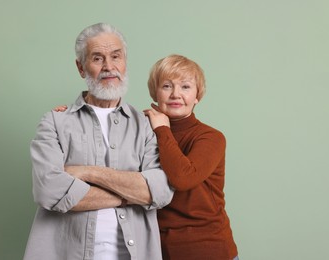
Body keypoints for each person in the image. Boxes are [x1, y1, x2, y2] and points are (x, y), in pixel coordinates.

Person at [23, 23, 174, 260]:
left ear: (125, 62)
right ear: (81, 67)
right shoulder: (55, 121)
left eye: (116, 56)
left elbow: (160, 190)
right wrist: (131, 195)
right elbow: (48, 190)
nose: (109, 67)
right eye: (97, 58)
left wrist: (87, 173)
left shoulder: (146, 124)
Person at [143, 54, 238, 260]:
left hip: (206, 249)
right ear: (155, 92)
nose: (176, 94)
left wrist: (162, 129)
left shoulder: (211, 137)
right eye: (167, 86)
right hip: (157, 249)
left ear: (197, 96)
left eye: (185, 87)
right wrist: (66, 117)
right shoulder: (142, 129)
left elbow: (183, 178)